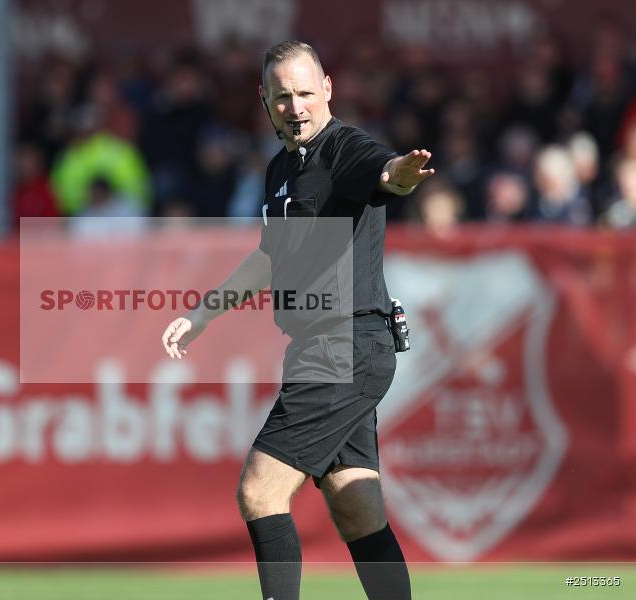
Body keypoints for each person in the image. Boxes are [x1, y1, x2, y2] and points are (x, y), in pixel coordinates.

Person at [161, 41, 435, 600]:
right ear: (264, 100)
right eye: (283, 95)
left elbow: (386, 175)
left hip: (347, 344)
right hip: (326, 346)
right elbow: (269, 258)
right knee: (356, 506)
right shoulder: (282, 168)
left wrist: (401, 172)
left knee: (260, 491)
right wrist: (204, 312)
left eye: (306, 92)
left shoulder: (343, 148)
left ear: (328, 89)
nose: (296, 106)